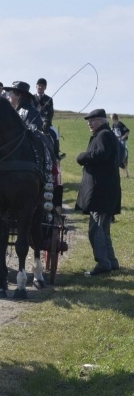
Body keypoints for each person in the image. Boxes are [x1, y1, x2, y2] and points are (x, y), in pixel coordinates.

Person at [76, 108, 121, 276]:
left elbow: (99, 154)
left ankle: (103, 264)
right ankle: (112, 261)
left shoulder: (103, 135)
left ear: (102, 121)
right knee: (104, 229)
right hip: (107, 190)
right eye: (88, 120)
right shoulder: (107, 135)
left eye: (92, 120)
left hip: (101, 191)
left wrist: (82, 157)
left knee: (96, 230)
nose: (89, 123)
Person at [111, 113, 129, 177]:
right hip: (116, 140)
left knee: (122, 151)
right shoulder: (113, 125)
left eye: (111, 118)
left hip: (122, 141)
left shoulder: (120, 124)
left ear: (113, 118)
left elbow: (127, 132)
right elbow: (112, 132)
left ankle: (122, 160)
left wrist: (122, 138)